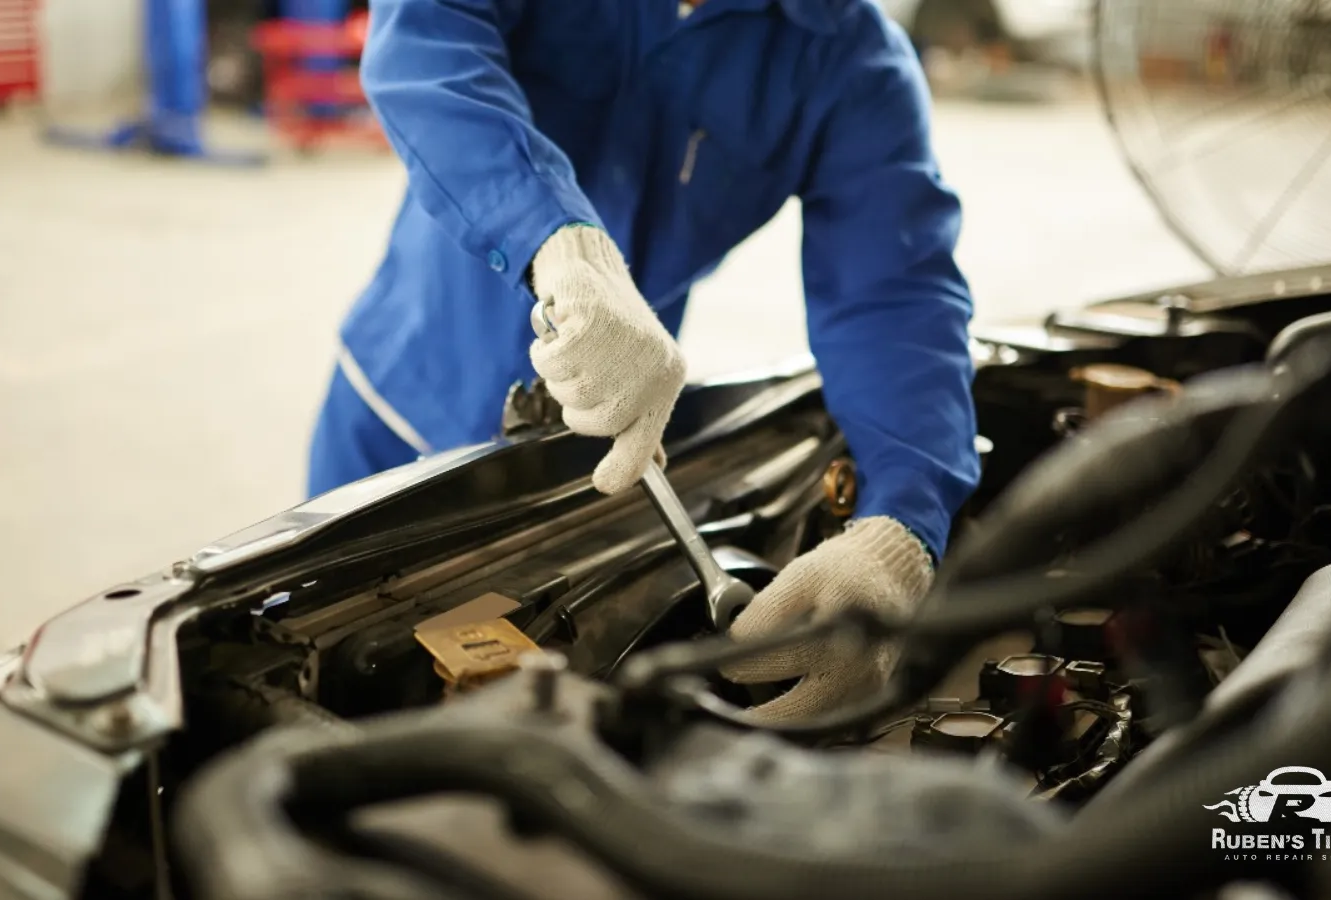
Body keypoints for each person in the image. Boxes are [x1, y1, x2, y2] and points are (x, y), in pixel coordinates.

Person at [308, 0, 981, 723]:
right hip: (398, 405)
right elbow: (425, 40)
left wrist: (901, 527)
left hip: (589, 458)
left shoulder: (849, 58)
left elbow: (895, 295)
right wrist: (554, 236)